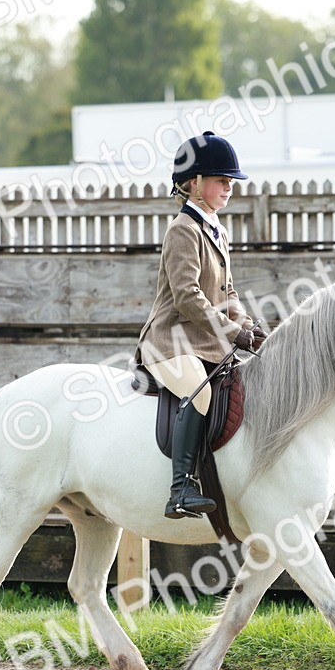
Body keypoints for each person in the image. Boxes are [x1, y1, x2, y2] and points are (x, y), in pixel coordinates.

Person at [135, 131, 266, 519]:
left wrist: (250, 327)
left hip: (204, 342)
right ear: (194, 184)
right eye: (221, 180)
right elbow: (188, 297)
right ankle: (180, 490)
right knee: (201, 392)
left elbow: (227, 294)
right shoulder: (183, 230)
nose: (229, 188)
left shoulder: (217, 230)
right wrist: (233, 333)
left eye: (230, 182)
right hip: (170, 342)